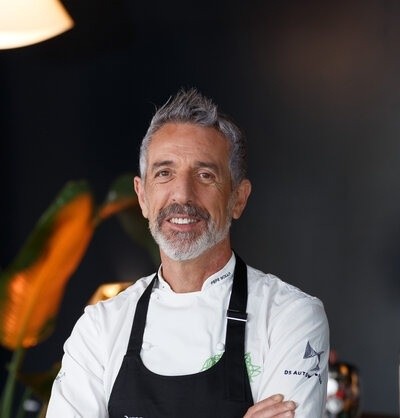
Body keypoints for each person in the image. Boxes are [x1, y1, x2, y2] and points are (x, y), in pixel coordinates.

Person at [46, 89, 329, 418]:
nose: (182, 194)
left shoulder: (289, 317)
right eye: (164, 173)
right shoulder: (100, 328)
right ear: (142, 196)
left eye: (205, 175)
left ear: (238, 199)